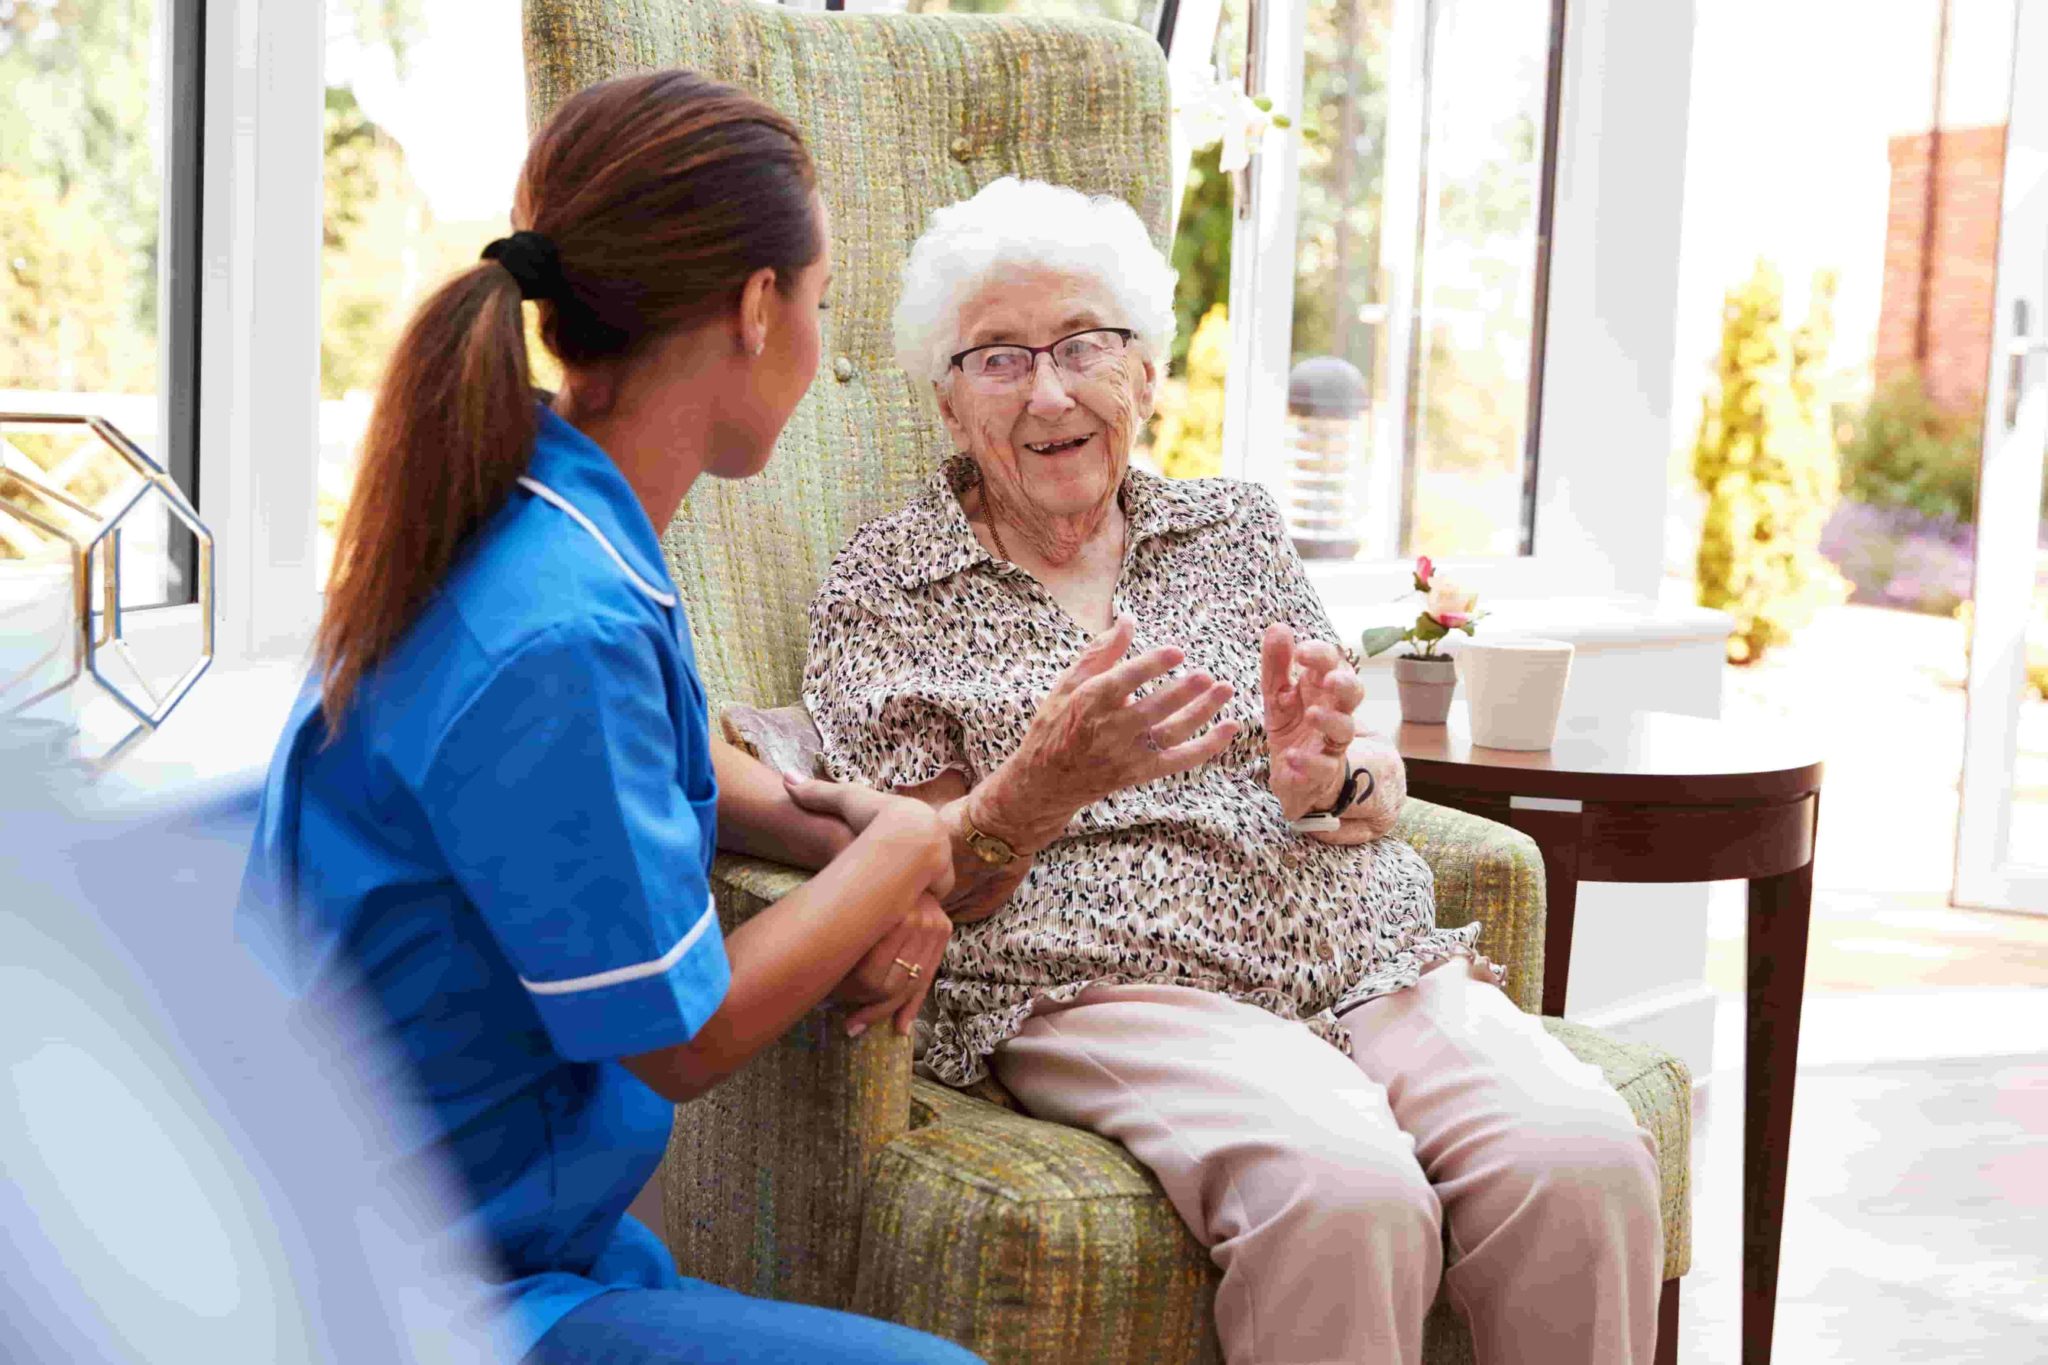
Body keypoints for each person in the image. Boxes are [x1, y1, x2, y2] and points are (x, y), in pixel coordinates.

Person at [798, 176, 1665, 1364]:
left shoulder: (1234, 530)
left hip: (1360, 955)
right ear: (947, 405)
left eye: (1082, 348)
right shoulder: (887, 587)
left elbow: (1367, 778)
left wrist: (1333, 780)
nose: (1047, 391)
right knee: (1345, 1192)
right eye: (997, 359)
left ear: (1144, 377)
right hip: (1104, 983)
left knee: (1578, 1156)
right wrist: (1039, 785)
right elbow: (908, 876)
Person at [237, 71, 979, 1365]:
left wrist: (813, 822)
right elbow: (679, 1043)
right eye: (818, 302)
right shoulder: (560, 622)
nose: (816, 338)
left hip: (488, 1237)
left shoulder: (529, 517)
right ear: (757, 310)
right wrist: (905, 852)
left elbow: (605, 772)